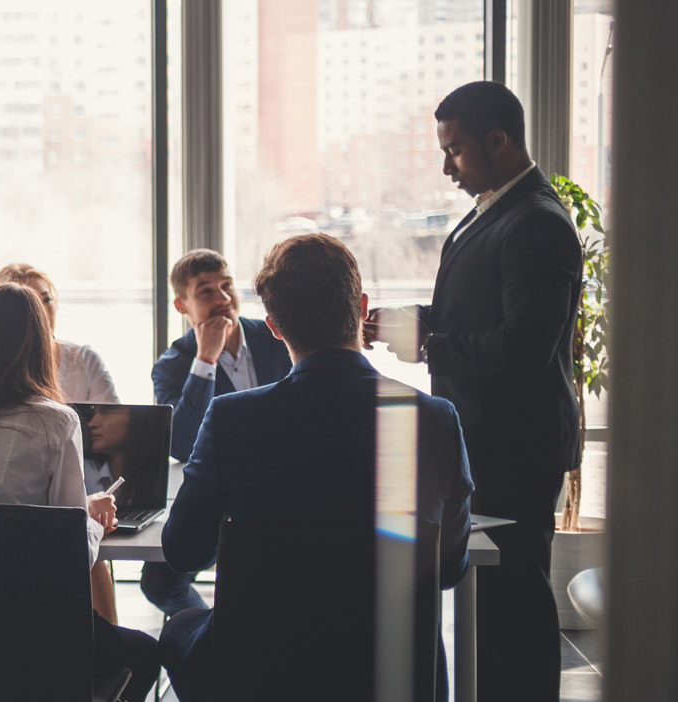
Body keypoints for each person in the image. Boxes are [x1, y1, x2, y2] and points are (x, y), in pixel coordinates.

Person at [156, 234, 475, 702]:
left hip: (264, 669)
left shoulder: (232, 420)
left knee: (181, 628)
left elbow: (182, 553)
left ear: (276, 327)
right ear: (361, 306)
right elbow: (448, 570)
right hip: (391, 669)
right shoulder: (434, 418)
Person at [366, 81, 580, 702]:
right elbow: (473, 306)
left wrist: (430, 348)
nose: (445, 166)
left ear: (498, 140)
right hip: (487, 439)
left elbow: (525, 346)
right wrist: (405, 321)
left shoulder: (537, 221)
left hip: (515, 448)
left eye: (454, 150)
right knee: (495, 603)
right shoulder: (497, 207)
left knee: (517, 604)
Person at [0, 284, 161, 702]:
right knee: (145, 653)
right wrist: (91, 522)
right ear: (38, 346)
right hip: (32, 627)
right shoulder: (55, 423)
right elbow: (72, 553)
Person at [143, 249, 294, 616]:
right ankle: (214, 631)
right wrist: (205, 361)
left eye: (226, 286)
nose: (223, 299)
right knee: (160, 580)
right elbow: (180, 445)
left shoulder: (278, 337)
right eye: (206, 291)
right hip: (218, 495)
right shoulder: (171, 366)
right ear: (182, 305)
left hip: (285, 489)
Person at [0, 264, 127, 625]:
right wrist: (89, 517)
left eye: (46, 300)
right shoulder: (57, 418)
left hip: (84, 482)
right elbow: (72, 541)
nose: (39, 312)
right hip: (42, 511)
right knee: (84, 544)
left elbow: (114, 427)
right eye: (26, 306)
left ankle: (98, 642)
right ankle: (98, 651)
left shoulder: (81, 360)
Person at [0, 264, 120, 403]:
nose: (43, 312)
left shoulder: (85, 360)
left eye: (46, 300)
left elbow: (114, 421)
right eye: (31, 304)